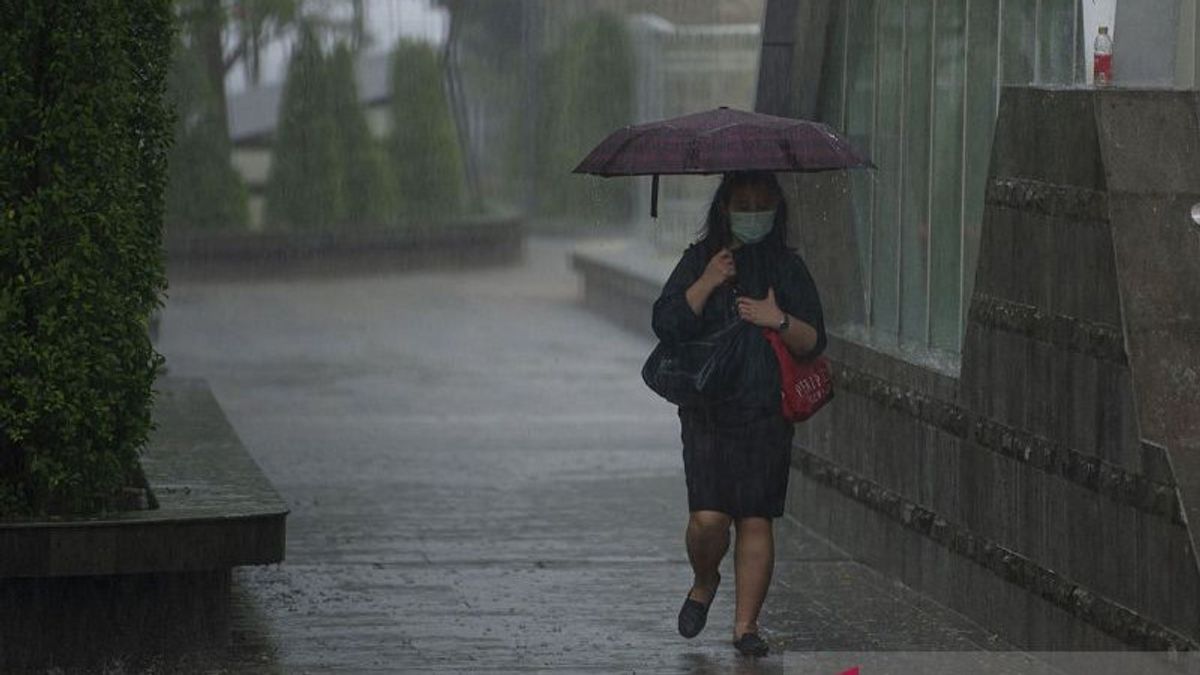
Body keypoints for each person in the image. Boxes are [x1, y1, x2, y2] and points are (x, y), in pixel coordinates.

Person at [650, 170, 827, 657]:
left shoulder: (787, 269)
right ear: (724, 207)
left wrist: (779, 320)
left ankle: (746, 626)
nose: (753, 213)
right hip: (707, 411)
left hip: (765, 412)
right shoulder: (699, 260)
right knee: (708, 519)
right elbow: (665, 322)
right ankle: (705, 581)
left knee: (755, 518)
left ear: (776, 207)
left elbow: (816, 342)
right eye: (743, 203)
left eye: (761, 203)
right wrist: (708, 280)